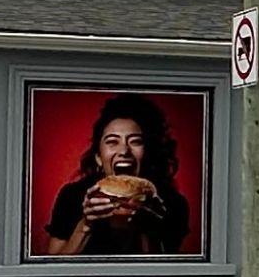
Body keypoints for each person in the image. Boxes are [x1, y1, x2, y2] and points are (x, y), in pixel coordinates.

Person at [43, 94, 189, 256]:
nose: (124, 151)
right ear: (98, 158)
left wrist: (147, 229)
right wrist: (86, 225)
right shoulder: (72, 195)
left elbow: (166, 270)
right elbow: (52, 264)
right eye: (112, 142)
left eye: (135, 141)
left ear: (147, 154)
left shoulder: (172, 203)